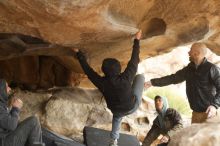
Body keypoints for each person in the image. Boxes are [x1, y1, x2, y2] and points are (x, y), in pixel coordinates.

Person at [73, 30, 145, 146]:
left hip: (116, 110)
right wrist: (137, 40)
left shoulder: (101, 82)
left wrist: (78, 54)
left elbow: (88, 71)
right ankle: (139, 88)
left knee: (117, 117)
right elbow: (134, 60)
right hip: (132, 106)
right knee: (140, 77)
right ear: (118, 69)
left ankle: (113, 141)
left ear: (104, 71)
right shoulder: (126, 77)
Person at [144, 42, 220, 123]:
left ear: (196, 53)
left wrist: (214, 106)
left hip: (210, 114)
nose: (188, 52)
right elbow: (172, 78)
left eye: (191, 50)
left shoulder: (212, 69)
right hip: (195, 114)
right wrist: (152, 82)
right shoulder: (189, 69)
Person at [0, 79, 44, 146]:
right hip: (5, 142)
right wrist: (16, 108)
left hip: (6, 138)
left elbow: (8, 123)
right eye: (6, 87)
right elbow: (11, 125)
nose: (9, 89)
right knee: (33, 121)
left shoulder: (2, 105)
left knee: (31, 127)